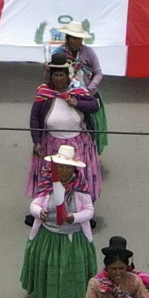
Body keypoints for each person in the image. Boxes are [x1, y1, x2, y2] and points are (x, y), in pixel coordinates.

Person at [23, 144, 97, 298]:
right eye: (60, 166)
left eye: (67, 167)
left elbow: (89, 211)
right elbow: (35, 204)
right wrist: (39, 212)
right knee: (51, 269)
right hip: (49, 236)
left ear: (74, 168)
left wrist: (74, 217)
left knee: (73, 275)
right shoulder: (48, 184)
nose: (63, 170)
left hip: (73, 239)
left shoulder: (81, 188)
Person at [30, 61, 102, 199]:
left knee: (79, 175)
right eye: (55, 75)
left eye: (61, 75)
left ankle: (83, 207)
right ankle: (45, 207)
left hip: (78, 143)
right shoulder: (44, 93)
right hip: (51, 143)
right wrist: (37, 141)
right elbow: (35, 118)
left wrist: (77, 103)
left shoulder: (77, 90)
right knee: (51, 176)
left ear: (67, 76)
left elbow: (94, 106)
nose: (58, 79)